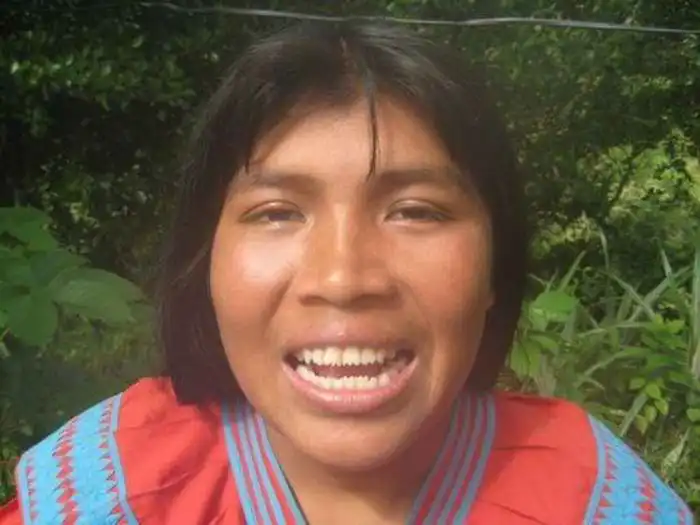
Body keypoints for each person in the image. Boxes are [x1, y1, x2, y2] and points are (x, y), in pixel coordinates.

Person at [0, 20, 692, 525]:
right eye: (276, 212)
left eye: (415, 211)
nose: (343, 277)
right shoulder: (117, 493)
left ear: (494, 267)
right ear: (204, 262)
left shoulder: (588, 498)